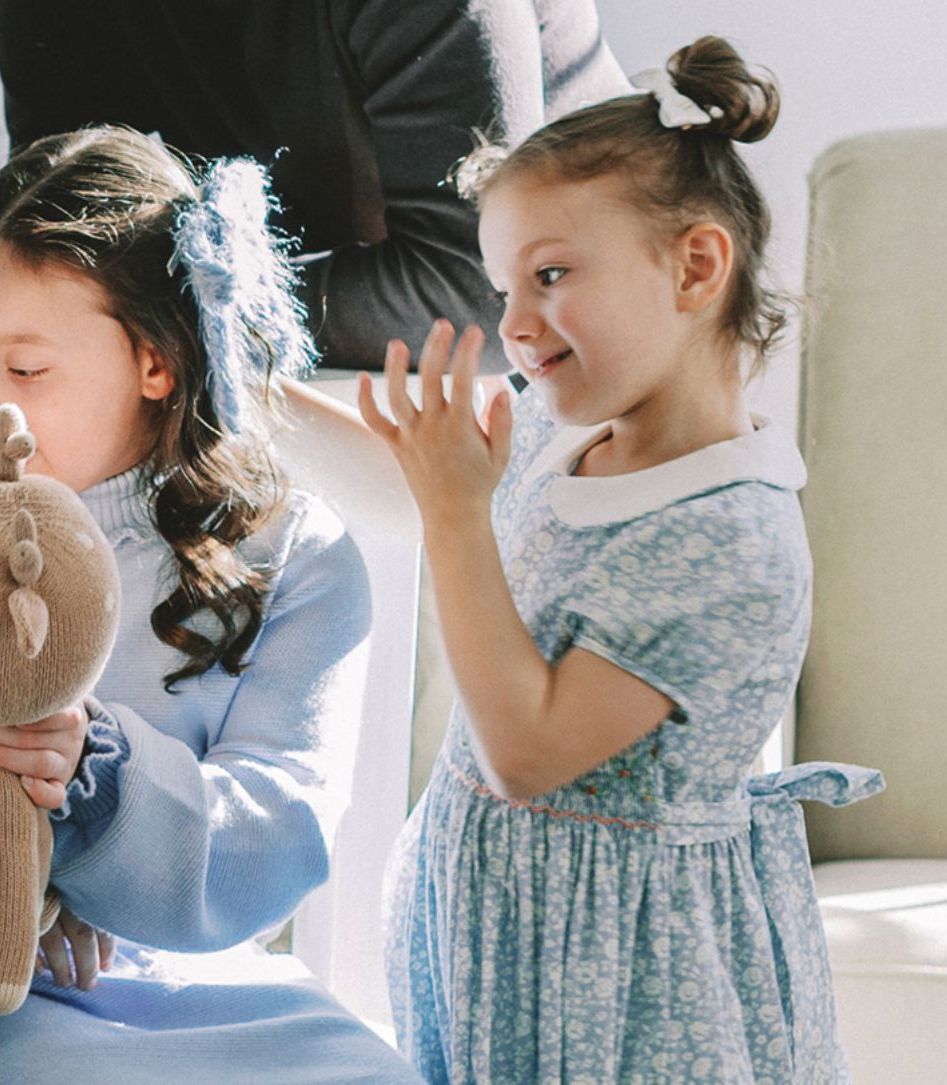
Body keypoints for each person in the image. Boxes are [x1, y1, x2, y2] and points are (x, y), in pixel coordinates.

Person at [0, 127, 422, 1083]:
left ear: (157, 361)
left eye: (25, 369)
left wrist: (97, 784)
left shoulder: (293, 557)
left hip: (198, 985)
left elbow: (276, 836)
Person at [360, 37, 880, 1083]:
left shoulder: (728, 539)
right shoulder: (567, 432)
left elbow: (527, 752)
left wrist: (456, 517)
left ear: (695, 267)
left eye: (549, 275)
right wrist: (244, 394)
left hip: (619, 989)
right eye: (503, 284)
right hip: (497, 932)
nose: (512, 323)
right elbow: (422, 486)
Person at [0, 0, 631, 371]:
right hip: (328, 343)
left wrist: (171, 308)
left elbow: (482, 298)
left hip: (600, 362)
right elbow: (52, 248)